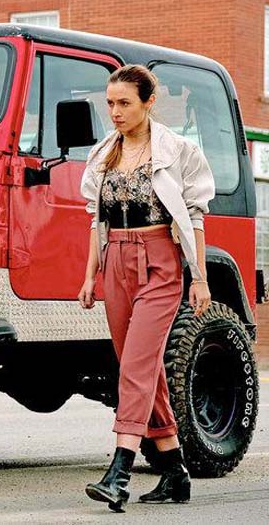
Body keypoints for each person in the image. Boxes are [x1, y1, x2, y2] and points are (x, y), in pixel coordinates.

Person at [78, 64, 215, 512]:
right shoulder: (103, 154)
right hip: (115, 260)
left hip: (160, 262)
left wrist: (200, 278)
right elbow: (95, 220)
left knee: (135, 365)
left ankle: (119, 470)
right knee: (143, 368)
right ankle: (174, 471)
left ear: (148, 102)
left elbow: (193, 217)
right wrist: (89, 275)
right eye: (110, 103)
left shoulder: (178, 151)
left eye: (124, 103)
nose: (114, 112)